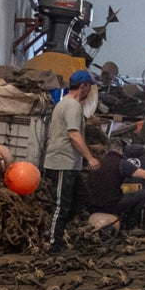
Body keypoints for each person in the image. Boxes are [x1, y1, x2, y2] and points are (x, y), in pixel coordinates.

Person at [44, 69, 98, 247]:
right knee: (61, 204)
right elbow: (74, 135)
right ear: (84, 86)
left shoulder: (69, 104)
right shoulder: (72, 106)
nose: (90, 92)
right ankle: (54, 244)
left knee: (81, 197)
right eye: (89, 88)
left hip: (70, 164)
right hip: (61, 162)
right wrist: (90, 158)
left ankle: (57, 231)